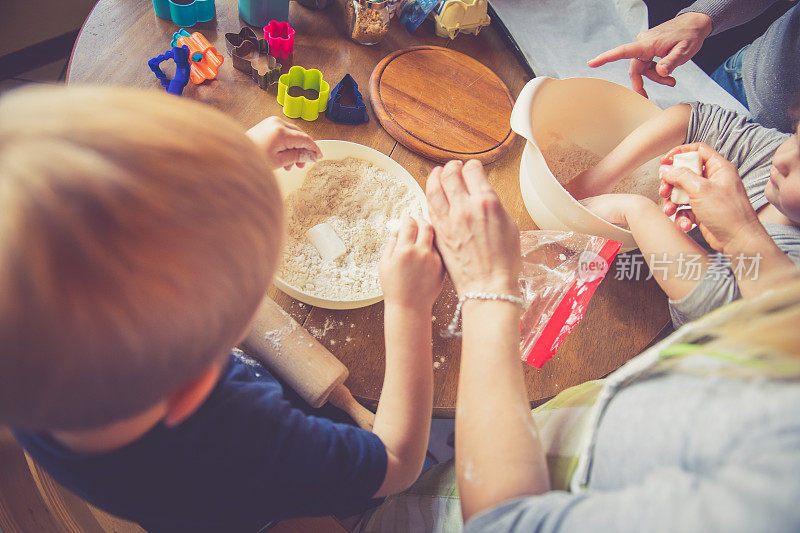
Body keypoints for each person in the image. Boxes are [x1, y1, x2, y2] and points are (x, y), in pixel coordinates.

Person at [0, 86, 443, 532]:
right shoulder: (242, 436)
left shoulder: (32, 372)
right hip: (255, 513)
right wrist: (409, 306)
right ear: (196, 382)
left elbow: (101, 223)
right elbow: (396, 462)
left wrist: (232, 163)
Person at [366, 159, 800, 532]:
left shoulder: (774, 493)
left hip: (465, 512)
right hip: (516, 449)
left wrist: (488, 290)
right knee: (414, 501)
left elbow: (505, 522)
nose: (785, 155)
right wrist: (744, 236)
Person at [566, 101, 800, 328]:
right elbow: (697, 119)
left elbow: (717, 306)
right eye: (797, 137)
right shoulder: (771, 152)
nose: (782, 159)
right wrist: (597, 178)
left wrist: (636, 210)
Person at [588, 0, 799, 133]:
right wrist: (700, 18)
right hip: (745, 76)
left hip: (780, 159)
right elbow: (693, 119)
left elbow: (691, 120)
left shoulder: (783, 159)